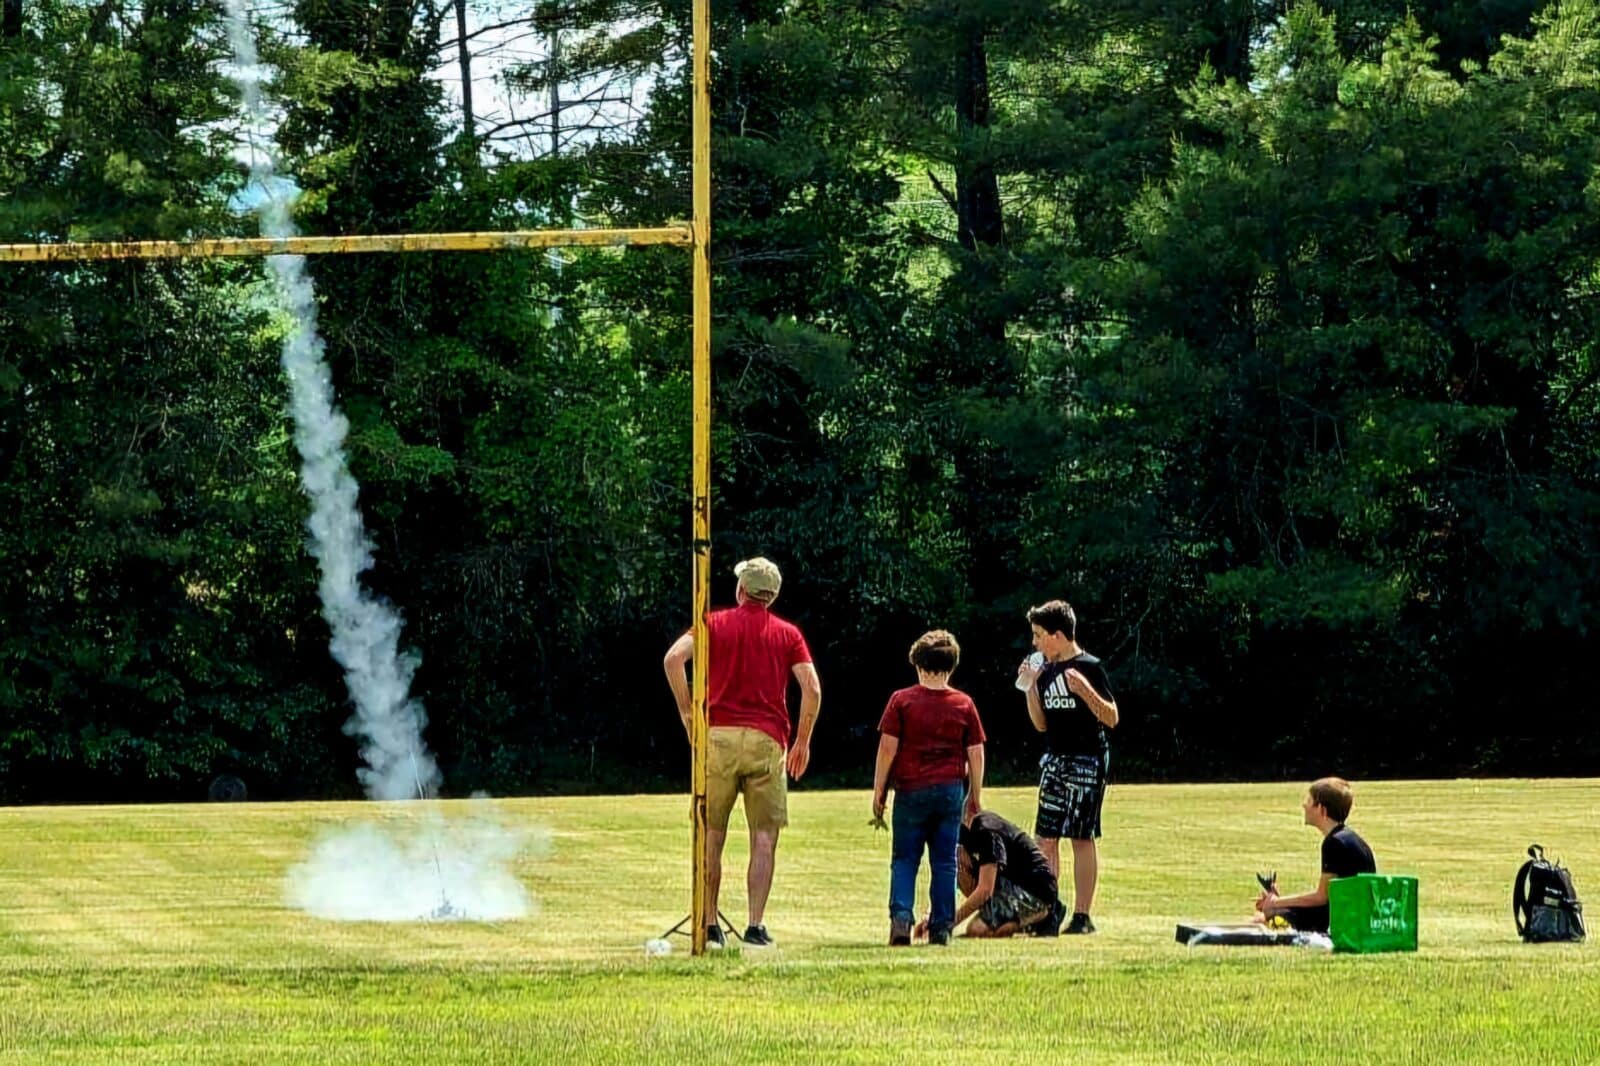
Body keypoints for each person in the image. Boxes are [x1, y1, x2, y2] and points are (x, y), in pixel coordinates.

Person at [663, 556, 822, 949]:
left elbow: (673, 659)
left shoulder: (714, 623)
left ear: (740, 590)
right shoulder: (788, 634)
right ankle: (755, 925)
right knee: (763, 837)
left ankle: (710, 923)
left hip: (717, 738)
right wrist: (802, 740)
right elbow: (812, 689)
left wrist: (687, 712)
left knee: (711, 834)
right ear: (772, 595)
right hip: (767, 741)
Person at [872, 630, 986, 947]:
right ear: (951, 666)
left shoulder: (902, 701)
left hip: (910, 790)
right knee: (945, 861)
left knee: (905, 858)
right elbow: (976, 754)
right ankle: (941, 927)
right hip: (950, 790)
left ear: (919, 666)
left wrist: (879, 790)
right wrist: (975, 796)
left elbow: (886, 750)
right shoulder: (964, 704)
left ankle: (901, 919)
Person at [1016, 599, 1118, 935]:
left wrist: (1084, 690)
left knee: (1081, 836)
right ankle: (1048, 910)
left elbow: (1112, 717)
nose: (1035, 642)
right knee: (1045, 838)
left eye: (1039, 635)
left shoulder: (1090, 666)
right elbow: (1041, 725)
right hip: (1055, 760)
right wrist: (1030, 687)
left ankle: (1083, 916)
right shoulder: (1044, 672)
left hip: (1088, 760)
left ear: (1058, 636)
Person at [1254, 777, 1377, 933]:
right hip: (1353, 913)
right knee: (1273, 913)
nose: (1304, 805)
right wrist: (1279, 902)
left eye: (1309, 800)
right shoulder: (1350, 838)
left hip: (1339, 918)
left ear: (1322, 810)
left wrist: (1276, 903)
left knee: (1264, 918)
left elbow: (1321, 897)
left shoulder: (1334, 843)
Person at [939, 810, 1061, 938]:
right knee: (958, 860)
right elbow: (949, 873)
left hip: (1035, 891)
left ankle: (1044, 917)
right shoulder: (963, 831)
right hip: (1009, 883)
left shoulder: (987, 831)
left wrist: (948, 923)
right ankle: (996, 915)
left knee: (977, 929)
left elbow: (985, 890)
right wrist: (936, 915)